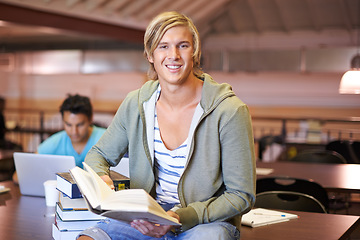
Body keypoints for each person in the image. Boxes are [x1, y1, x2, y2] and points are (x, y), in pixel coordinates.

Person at [78, 11, 256, 240]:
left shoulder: (229, 111)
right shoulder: (136, 103)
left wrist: (181, 216)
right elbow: (98, 155)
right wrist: (101, 178)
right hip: (145, 222)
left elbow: (242, 195)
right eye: (163, 46)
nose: (173, 55)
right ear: (150, 55)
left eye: (182, 45)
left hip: (202, 225)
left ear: (195, 52)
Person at [12, 94, 106, 183]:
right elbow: (17, 177)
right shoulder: (55, 142)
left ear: (90, 119)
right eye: (68, 124)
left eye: (80, 125)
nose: (74, 131)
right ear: (63, 121)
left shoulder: (106, 138)